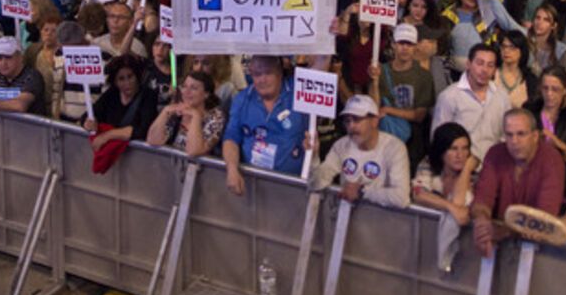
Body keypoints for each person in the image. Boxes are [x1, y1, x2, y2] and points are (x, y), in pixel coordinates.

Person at [471, 108, 566, 257]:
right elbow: (483, 198)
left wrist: (504, 231)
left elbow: (544, 216)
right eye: (509, 135)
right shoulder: (495, 153)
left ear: (535, 136)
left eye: (521, 134)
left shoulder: (552, 160)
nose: (514, 141)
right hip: (498, 243)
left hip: (539, 251)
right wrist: (482, 223)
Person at [222, 55, 310, 194]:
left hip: (294, 187)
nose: (262, 79)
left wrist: (329, 37)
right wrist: (232, 170)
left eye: (268, 73)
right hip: (252, 185)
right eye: (257, 74)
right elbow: (231, 138)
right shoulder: (242, 99)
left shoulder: (299, 90)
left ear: (280, 73)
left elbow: (320, 70)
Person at [309, 95, 410, 209]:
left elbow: (401, 198)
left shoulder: (395, 148)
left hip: (382, 222)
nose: (351, 126)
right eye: (347, 121)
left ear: (374, 121)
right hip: (345, 221)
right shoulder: (341, 145)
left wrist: (362, 191)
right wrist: (313, 157)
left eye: (357, 119)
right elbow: (316, 184)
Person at [368, 23, 434, 167]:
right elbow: (374, 107)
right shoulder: (382, 71)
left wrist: (388, 110)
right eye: (401, 43)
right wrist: (374, 81)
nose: (405, 48)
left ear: (415, 46)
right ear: (393, 45)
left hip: (411, 141)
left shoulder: (424, 76)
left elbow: (419, 115)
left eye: (409, 44)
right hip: (383, 135)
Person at [431, 43, 510, 163]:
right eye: (479, 63)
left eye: (490, 65)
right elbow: (438, 139)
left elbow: (507, 136)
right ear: (468, 64)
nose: (484, 70)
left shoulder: (502, 97)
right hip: (459, 166)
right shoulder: (449, 96)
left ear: (495, 70)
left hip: (494, 166)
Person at [524, 65, 566, 199]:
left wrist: (557, 143)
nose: (549, 94)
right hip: (528, 178)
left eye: (555, 89)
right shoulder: (529, 110)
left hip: (563, 183)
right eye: (545, 88)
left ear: (565, 90)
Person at [85, 55, 158, 156]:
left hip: (138, 157)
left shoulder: (149, 96)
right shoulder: (111, 93)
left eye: (130, 76)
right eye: (121, 79)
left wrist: (108, 136)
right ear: (115, 82)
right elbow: (90, 114)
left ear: (137, 76)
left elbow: (143, 130)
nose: (127, 83)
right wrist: (89, 123)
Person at [147, 69, 226, 157]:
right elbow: (153, 140)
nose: (186, 92)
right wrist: (165, 111)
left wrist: (196, 116)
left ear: (206, 94)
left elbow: (193, 151)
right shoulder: (177, 111)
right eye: (184, 86)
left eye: (193, 88)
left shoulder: (216, 117)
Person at [411, 122, 477, 225]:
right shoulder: (428, 164)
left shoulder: (473, 175)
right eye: (453, 148)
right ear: (441, 150)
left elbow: (459, 206)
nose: (460, 155)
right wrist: (450, 207)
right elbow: (419, 194)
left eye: (465, 148)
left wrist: (467, 170)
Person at [493, 30, 535, 108]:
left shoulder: (530, 79)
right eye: (504, 46)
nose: (506, 51)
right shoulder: (491, 72)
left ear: (522, 51)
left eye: (512, 47)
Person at [526, 3, 566, 75]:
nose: (540, 23)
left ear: (554, 25)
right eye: (537, 18)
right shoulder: (525, 38)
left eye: (546, 20)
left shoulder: (560, 49)